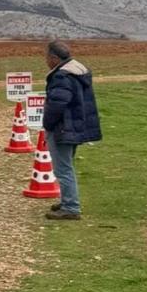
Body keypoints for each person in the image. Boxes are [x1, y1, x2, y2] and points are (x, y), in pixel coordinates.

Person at [42, 40, 102, 220]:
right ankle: (67, 200)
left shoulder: (62, 76)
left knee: (63, 168)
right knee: (67, 165)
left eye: (46, 57)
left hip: (63, 128)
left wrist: (48, 123)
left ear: (54, 58)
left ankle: (71, 207)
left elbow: (58, 103)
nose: (45, 61)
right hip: (75, 127)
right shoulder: (77, 71)